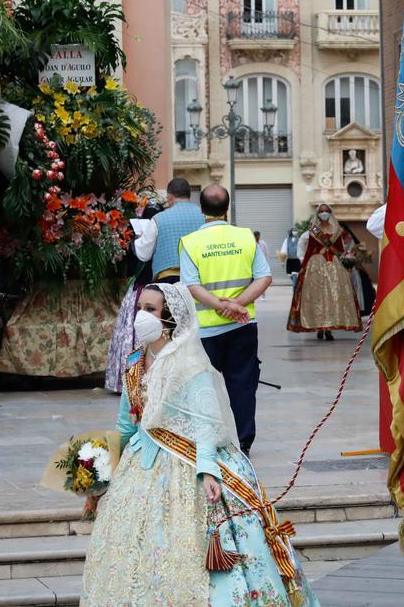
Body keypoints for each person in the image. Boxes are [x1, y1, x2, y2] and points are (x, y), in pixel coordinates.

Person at [81, 283, 319, 606]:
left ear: (169, 317)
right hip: (140, 468)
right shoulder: (135, 362)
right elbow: (125, 427)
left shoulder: (188, 363)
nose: (140, 316)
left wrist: (208, 470)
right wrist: (99, 477)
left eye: (150, 310)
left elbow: (206, 421)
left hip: (189, 465)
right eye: (140, 308)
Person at [179, 185, 272, 455]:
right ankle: (243, 439)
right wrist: (237, 305)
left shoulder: (190, 242)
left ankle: (209, 438)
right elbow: (264, 277)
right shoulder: (245, 237)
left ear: (202, 210)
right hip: (242, 326)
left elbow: (191, 286)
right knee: (243, 384)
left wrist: (220, 306)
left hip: (206, 331)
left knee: (203, 386)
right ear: (227, 208)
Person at [104, 200, 161, 393]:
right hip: (152, 290)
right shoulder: (153, 237)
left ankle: (134, 379)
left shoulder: (136, 239)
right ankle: (140, 378)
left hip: (140, 291)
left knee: (134, 337)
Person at [287, 204, 362, 340]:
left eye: (327, 211)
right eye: (321, 211)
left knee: (333, 298)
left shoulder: (337, 230)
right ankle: (319, 327)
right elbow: (304, 249)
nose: (324, 213)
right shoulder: (312, 231)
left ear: (330, 213)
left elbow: (341, 250)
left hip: (335, 268)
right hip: (315, 268)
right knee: (317, 298)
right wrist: (305, 264)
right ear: (317, 213)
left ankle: (328, 329)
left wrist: (346, 262)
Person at [133, 178, 205, 283]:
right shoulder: (204, 216)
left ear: (170, 197)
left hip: (168, 280)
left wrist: (139, 237)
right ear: (189, 196)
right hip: (199, 278)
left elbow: (144, 254)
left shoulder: (158, 219)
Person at [254, 232, 271, 301]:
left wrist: (266, 263)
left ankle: (263, 294)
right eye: (256, 236)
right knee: (255, 281)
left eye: (259, 236)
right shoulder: (252, 243)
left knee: (262, 279)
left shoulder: (263, 243)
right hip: (254, 263)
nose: (258, 237)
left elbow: (267, 252)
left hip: (262, 264)